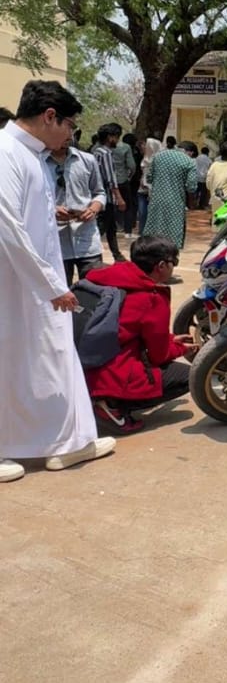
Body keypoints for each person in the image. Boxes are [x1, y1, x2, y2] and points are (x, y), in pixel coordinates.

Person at [0, 80, 116, 480]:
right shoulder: (6, 153)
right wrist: (52, 287)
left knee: (42, 359)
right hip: (18, 280)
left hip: (32, 278)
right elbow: (8, 228)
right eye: (69, 125)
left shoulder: (29, 156)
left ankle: (62, 442)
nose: (70, 134)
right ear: (50, 116)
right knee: (17, 359)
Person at [84, 235, 197, 432]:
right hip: (111, 374)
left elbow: (127, 328)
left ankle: (98, 399)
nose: (174, 267)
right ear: (161, 266)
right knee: (191, 376)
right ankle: (111, 406)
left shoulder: (107, 276)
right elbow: (158, 354)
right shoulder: (151, 297)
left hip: (83, 364)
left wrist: (170, 340)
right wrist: (179, 348)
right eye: (174, 262)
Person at [44, 138, 106, 283]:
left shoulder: (87, 160)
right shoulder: (37, 162)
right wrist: (51, 211)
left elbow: (100, 192)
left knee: (94, 292)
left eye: (69, 129)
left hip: (87, 240)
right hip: (56, 244)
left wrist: (94, 208)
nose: (66, 135)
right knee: (59, 295)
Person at [144, 138, 198, 247]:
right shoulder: (189, 161)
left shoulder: (158, 156)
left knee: (154, 229)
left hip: (156, 201)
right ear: (190, 152)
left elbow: (149, 178)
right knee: (173, 234)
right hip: (176, 203)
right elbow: (191, 187)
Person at [92, 123, 128, 261]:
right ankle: (93, 254)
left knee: (111, 227)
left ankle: (117, 254)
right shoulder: (105, 153)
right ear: (110, 137)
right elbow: (110, 179)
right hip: (105, 197)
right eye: (117, 137)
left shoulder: (95, 151)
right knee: (102, 227)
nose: (117, 141)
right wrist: (119, 198)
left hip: (99, 195)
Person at [112, 131, 137, 236]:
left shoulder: (100, 147)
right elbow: (132, 166)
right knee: (127, 205)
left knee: (110, 205)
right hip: (122, 180)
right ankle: (128, 231)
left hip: (107, 181)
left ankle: (114, 228)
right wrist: (129, 176)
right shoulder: (126, 147)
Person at [136, 136, 161, 234]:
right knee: (142, 213)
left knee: (152, 214)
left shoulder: (159, 161)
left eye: (145, 145)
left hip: (154, 191)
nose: (143, 147)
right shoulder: (145, 159)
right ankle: (142, 232)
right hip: (142, 190)